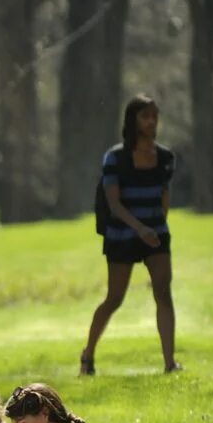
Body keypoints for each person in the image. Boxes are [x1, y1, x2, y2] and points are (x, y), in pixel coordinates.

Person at [81, 94, 181, 375]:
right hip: (122, 235)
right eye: (145, 116)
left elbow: (164, 195)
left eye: (154, 116)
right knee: (115, 298)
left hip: (156, 234)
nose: (151, 121)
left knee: (163, 292)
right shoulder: (115, 158)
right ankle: (88, 355)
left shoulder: (165, 158)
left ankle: (169, 363)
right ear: (133, 120)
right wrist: (140, 228)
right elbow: (114, 203)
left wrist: (158, 226)